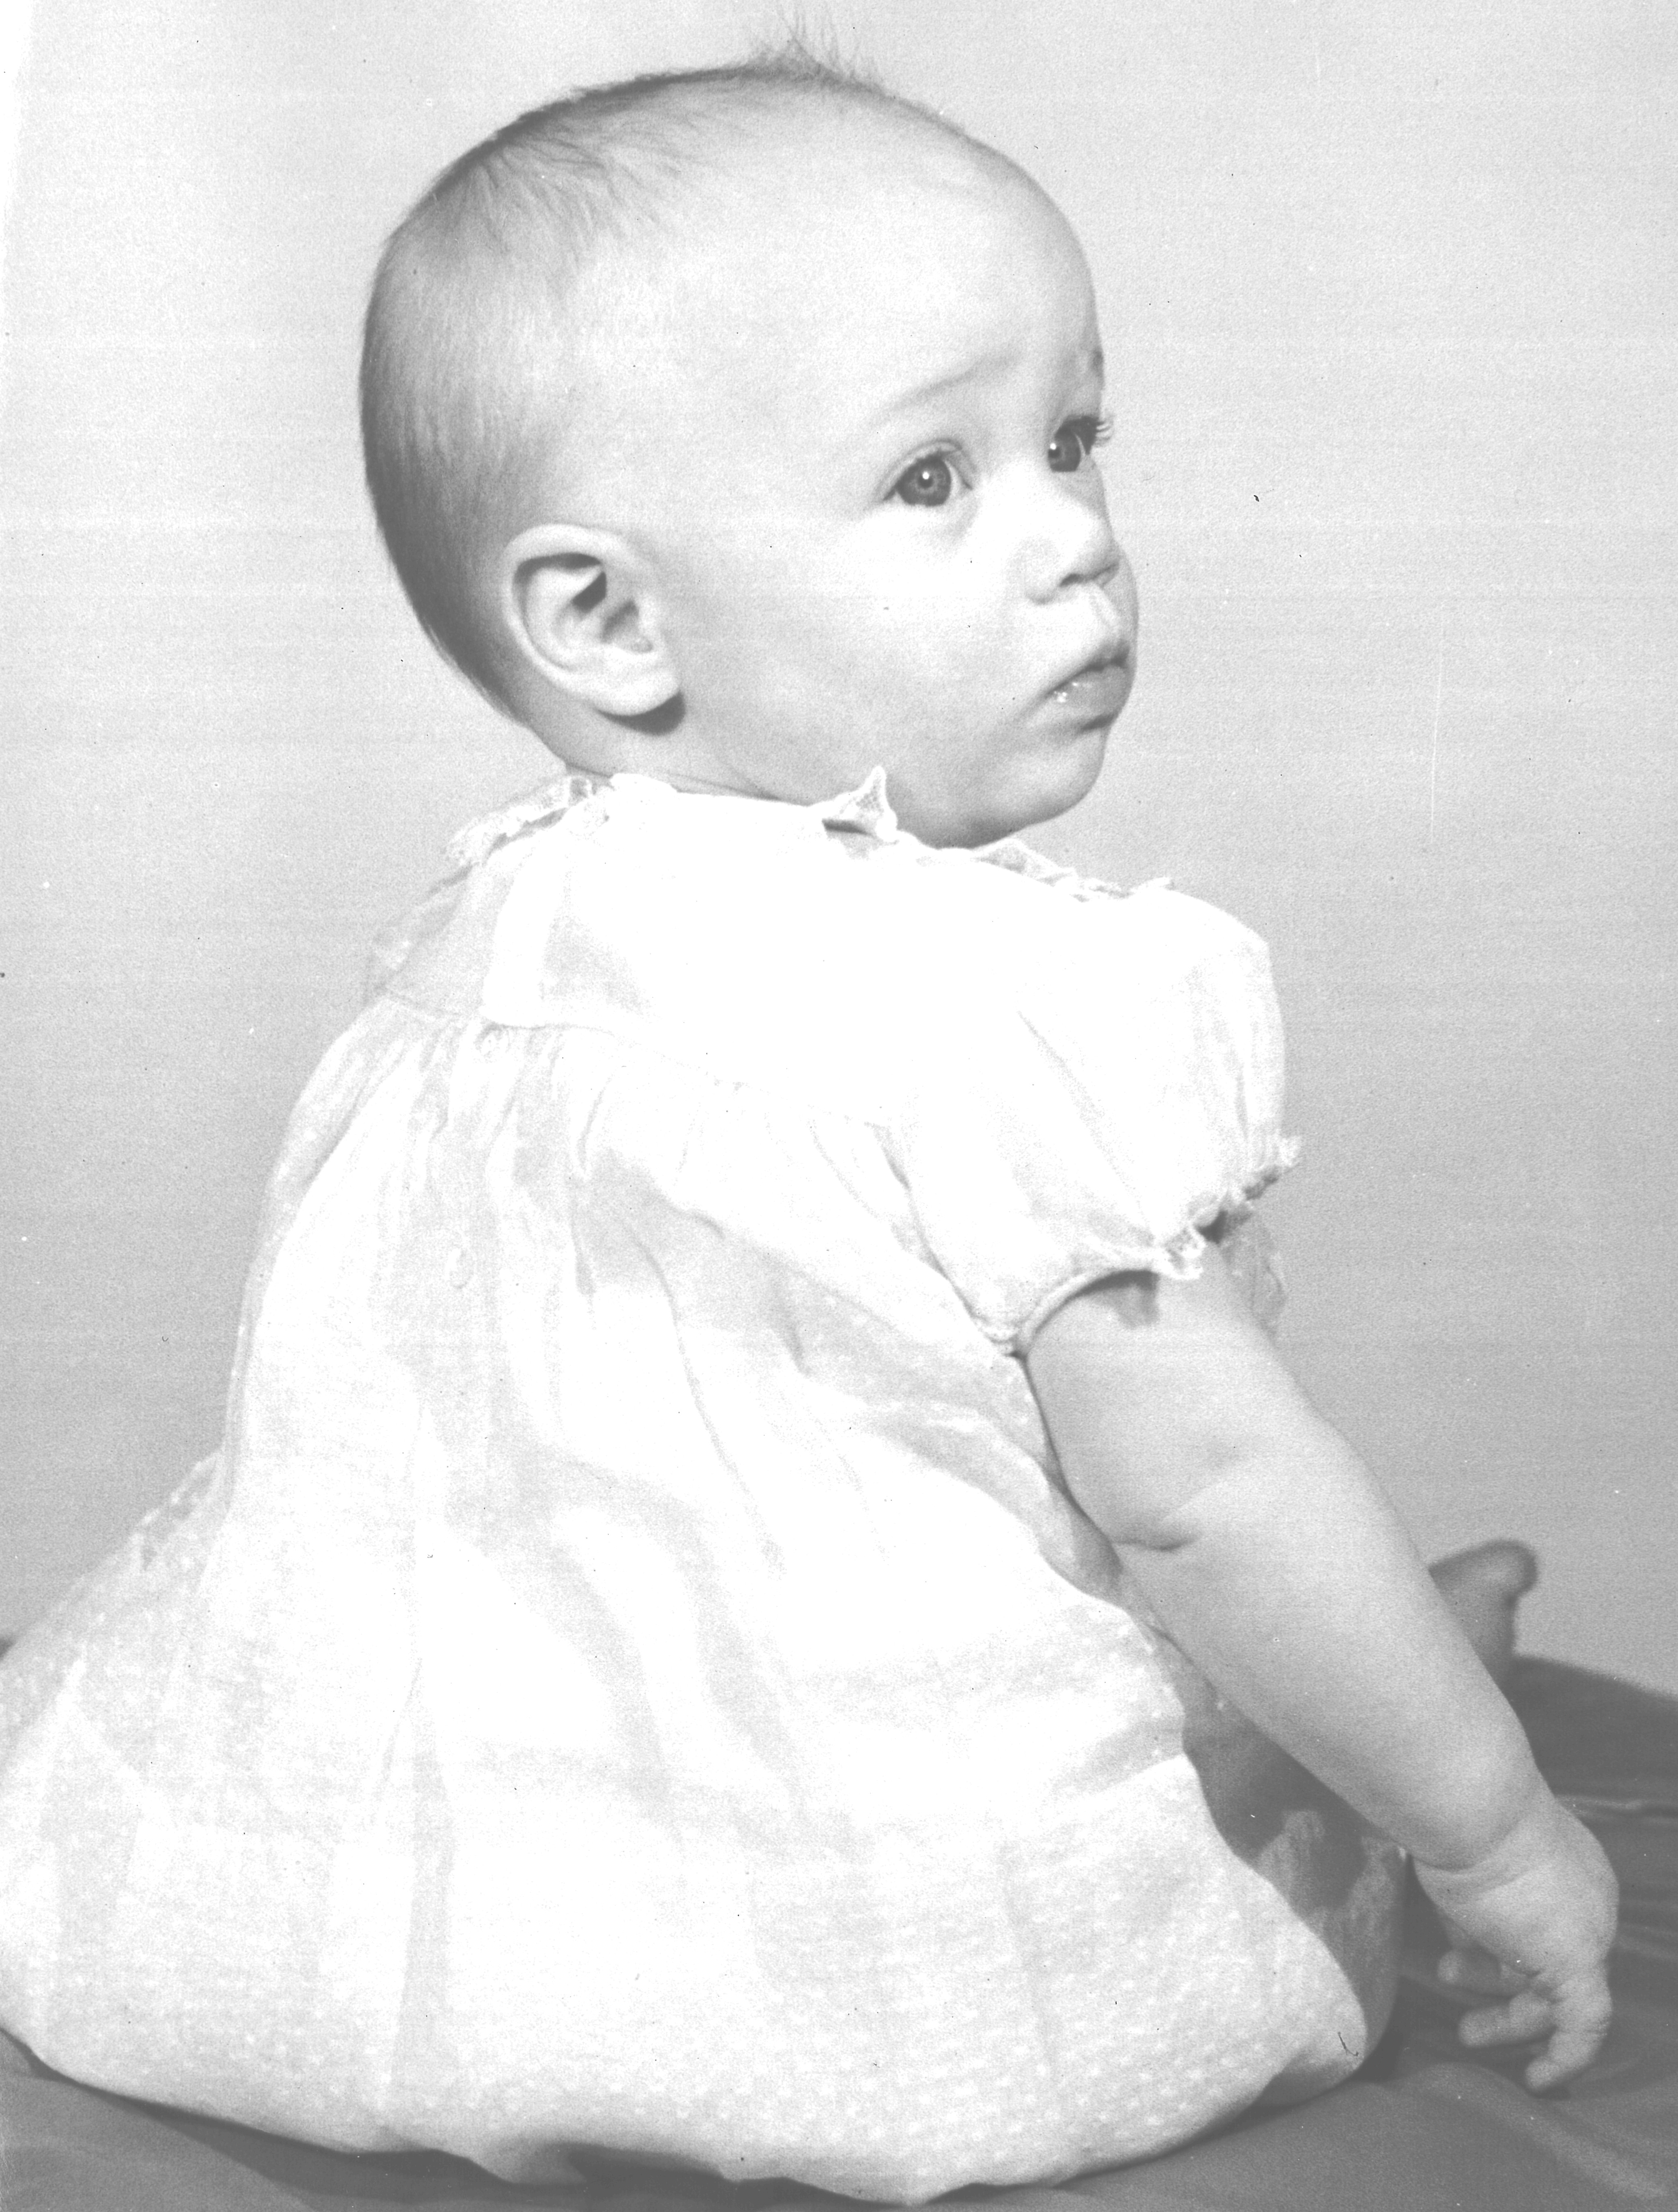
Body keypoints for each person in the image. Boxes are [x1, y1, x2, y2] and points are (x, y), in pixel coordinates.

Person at [0, 51, 1616, 2206]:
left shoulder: (486, 941)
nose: (1079, 538)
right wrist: (1493, 1829)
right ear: (605, 618)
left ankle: (1408, 1661)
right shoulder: (995, 1000)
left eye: (1072, 440)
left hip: (440, 1874)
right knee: (1307, 1731)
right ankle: (1423, 1709)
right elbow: (1206, 1493)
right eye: (936, 476)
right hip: (859, 1930)